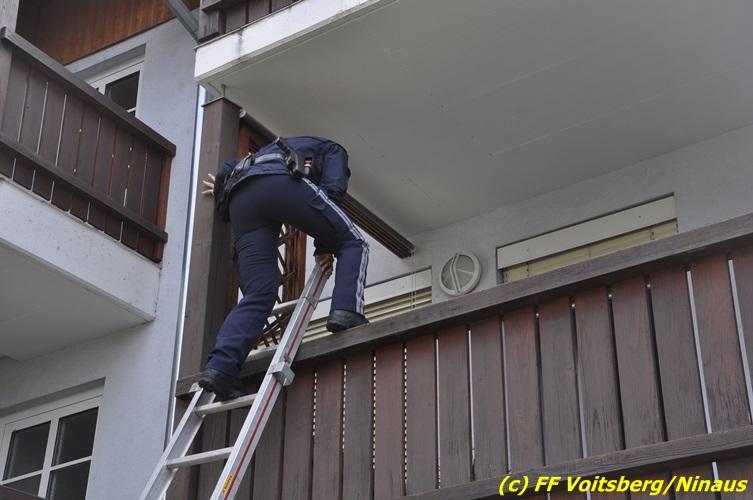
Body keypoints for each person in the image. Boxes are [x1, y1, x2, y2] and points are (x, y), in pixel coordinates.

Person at [198, 136, 369, 400]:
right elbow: (332, 192)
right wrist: (324, 247)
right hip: (279, 184)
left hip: (240, 200)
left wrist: (222, 193)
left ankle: (221, 368)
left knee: (259, 293)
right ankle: (347, 311)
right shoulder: (334, 150)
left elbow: (226, 169)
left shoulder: (264, 152)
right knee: (353, 242)